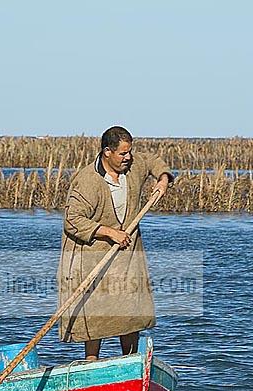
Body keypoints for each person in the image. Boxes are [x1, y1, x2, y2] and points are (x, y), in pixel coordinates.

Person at [57, 126, 173, 361]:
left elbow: (152, 161)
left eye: (129, 152)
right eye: (122, 153)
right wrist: (109, 232)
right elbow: (73, 220)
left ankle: (129, 362)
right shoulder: (87, 181)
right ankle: (91, 363)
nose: (128, 157)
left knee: (130, 309)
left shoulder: (133, 167)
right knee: (95, 310)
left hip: (127, 255)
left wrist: (163, 178)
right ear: (107, 152)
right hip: (95, 254)